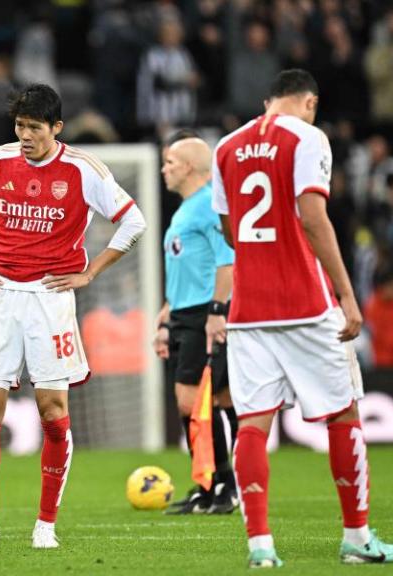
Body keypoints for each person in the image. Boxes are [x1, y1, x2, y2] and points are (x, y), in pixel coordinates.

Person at [210, 69, 393, 567]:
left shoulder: (226, 147)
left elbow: (230, 229)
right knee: (343, 414)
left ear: (267, 100)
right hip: (304, 301)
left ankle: (260, 546)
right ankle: (358, 540)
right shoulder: (308, 137)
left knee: (252, 423)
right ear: (309, 102)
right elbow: (313, 217)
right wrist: (346, 293)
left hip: (248, 307)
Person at [0, 84, 146, 549]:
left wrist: (91, 271)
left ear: (57, 128)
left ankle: (45, 525)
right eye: (19, 126)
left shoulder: (83, 170)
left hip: (51, 300)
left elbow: (134, 221)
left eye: (34, 127)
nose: (25, 135)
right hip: (0, 295)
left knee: (53, 412)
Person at [153, 131, 237, 515]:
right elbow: (189, 264)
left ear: (187, 166)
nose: (163, 168)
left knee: (194, 402)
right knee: (216, 400)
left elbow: (227, 262)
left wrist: (218, 312)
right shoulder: (187, 208)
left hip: (206, 314)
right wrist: (167, 311)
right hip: (186, 312)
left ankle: (223, 483)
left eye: (170, 162)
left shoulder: (209, 206)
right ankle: (211, 485)